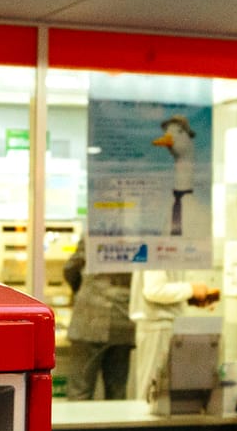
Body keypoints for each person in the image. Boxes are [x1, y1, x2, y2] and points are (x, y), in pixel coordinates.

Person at [128, 267, 219, 407]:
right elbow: (154, 290)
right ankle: (145, 427)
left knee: (160, 392)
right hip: (157, 325)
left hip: (162, 325)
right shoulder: (160, 245)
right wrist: (191, 289)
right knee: (152, 391)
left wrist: (189, 295)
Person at [59, 244, 135, 401]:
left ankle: (77, 426)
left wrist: (82, 291)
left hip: (89, 317)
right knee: (117, 395)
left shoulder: (96, 227)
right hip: (123, 319)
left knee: (79, 392)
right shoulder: (138, 233)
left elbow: (71, 268)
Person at [151, 116, 197, 236]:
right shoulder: (169, 208)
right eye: (167, 132)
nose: (169, 136)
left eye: (179, 132)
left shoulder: (200, 216)